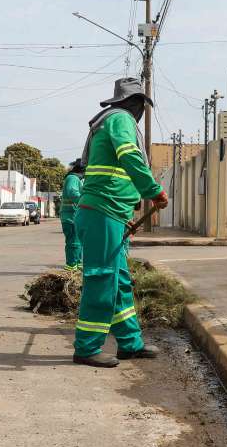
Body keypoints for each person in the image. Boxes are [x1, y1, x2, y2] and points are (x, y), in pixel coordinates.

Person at [72, 77, 168, 368]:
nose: (141, 111)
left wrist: (126, 213)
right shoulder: (120, 119)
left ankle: (130, 343)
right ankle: (87, 347)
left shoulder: (110, 121)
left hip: (110, 213)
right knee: (102, 278)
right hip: (102, 211)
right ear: (135, 103)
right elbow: (129, 156)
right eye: (141, 105)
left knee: (121, 281)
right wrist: (153, 191)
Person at [60, 159, 84, 270]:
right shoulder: (73, 178)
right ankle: (71, 265)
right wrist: (84, 201)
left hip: (73, 216)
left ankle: (78, 264)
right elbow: (72, 192)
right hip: (70, 217)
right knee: (73, 242)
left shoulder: (75, 179)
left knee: (77, 242)